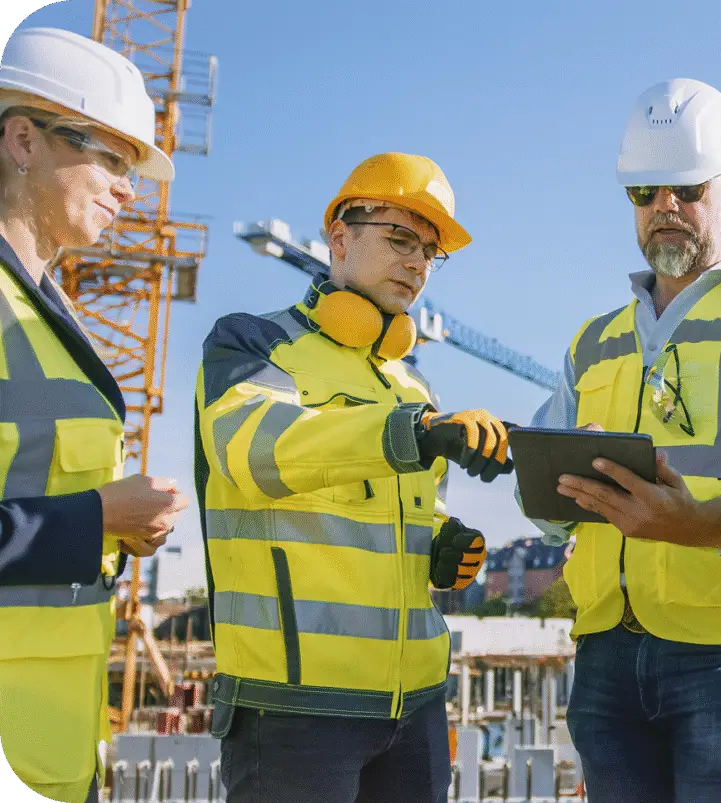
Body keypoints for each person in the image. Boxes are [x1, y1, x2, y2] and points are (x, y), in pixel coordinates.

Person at [519, 78, 721, 802]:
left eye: (685, 186)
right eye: (644, 191)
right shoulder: (593, 341)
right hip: (606, 651)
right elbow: (546, 511)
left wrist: (693, 522)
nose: (664, 207)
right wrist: (561, 480)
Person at [195, 152, 513, 803]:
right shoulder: (253, 344)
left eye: (430, 251)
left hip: (415, 706)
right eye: (401, 239)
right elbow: (258, 451)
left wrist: (442, 543)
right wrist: (412, 433)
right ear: (339, 237)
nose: (418, 262)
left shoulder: (409, 381)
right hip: (293, 709)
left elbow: (407, 517)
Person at [0, 26, 189, 803]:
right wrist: (96, 516)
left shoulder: (47, 308)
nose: (127, 188)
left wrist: (116, 524)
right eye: (109, 157)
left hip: (50, 748)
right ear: (21, 140)